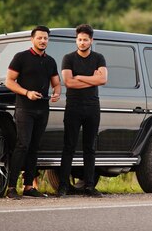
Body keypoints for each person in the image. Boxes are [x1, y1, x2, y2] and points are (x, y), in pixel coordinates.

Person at [4, 25, 61, 199]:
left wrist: (57, 93)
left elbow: (56, 83)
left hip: (43, 110)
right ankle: (11, 187)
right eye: (40, 38)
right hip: (25, 109)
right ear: (32, 39)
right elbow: (9, 81)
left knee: (35, 147)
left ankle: (29, 186)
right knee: (23, 145)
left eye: (45, 38)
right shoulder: (21, 57)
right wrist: (27, 93)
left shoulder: (50, 61)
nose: (43, 41)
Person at [56, 24, 107, 198]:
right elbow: (69, 83)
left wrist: (81, 77)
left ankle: (89, 186)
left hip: (92, 107)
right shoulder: (68, 58)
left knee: (90, 148)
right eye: (79, 39)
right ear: (76, 40)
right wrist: (93, 79)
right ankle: (63, 186)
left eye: (86, 39)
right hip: (73, 107)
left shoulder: (99, 58)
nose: (82, 42)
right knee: (68, 146)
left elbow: (103, 79)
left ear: (91, 41)